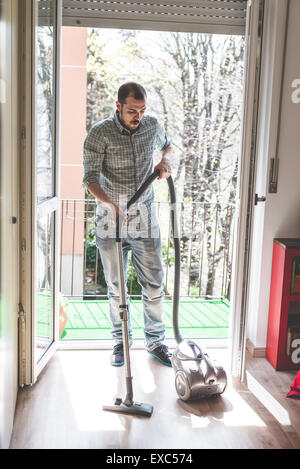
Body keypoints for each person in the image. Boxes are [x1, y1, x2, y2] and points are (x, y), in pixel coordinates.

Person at [82, 82, 172, 366]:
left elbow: (167, 145)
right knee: (116, 287)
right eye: (132, 111)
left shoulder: (151, 126)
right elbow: (90, 179)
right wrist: (111, 204)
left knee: (154, 284)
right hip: (111, 220)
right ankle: (121, 340)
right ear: (118, 106)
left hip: (145, 217)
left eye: (142, 110)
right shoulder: (99, 133)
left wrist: (164, 161)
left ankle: (156, 341)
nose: (138, 116)